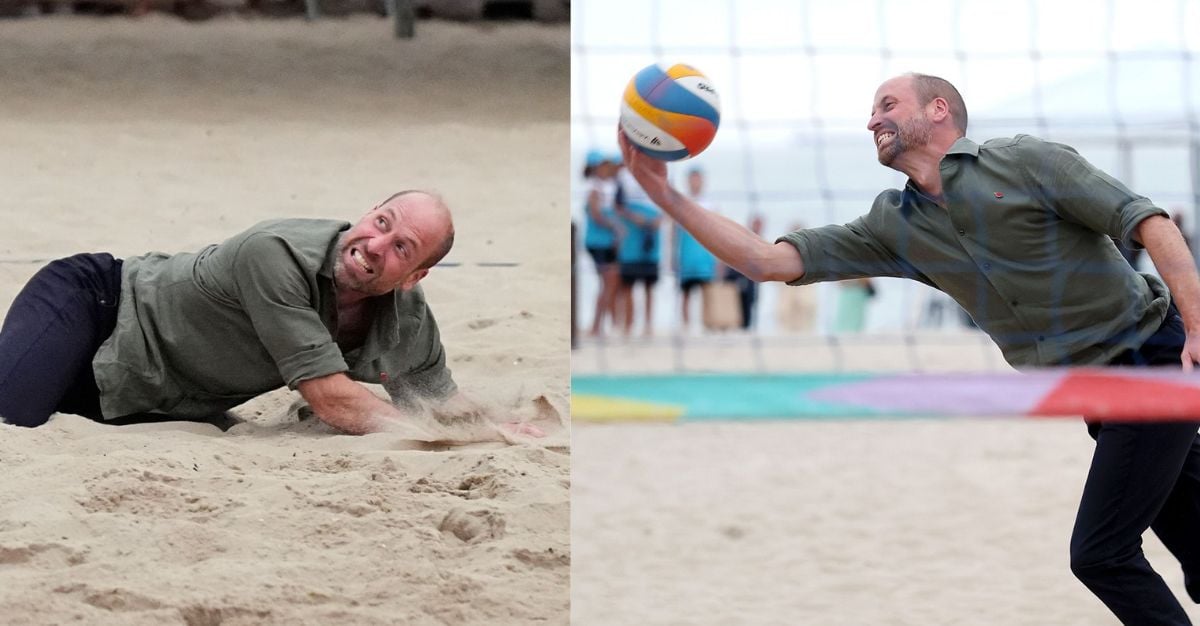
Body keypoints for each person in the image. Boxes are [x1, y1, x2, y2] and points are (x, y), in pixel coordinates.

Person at [619, 72, 1200, 624]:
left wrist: (1198, 327)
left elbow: (1149, 221)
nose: (872, 120)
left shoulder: (1026, 161)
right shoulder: (893, 225)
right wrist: (662, 195)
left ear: (938, 109)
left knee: (1100, 555)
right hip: (1096, 393)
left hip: (1155, 360)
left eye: (887, 105)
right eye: (873, 111)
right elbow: (764, 261)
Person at [0, 190, 541, 439]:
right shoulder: (277, 252)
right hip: (95, 307)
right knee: (12, 421)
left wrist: (501, 427)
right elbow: (332, 401)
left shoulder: (410, 321)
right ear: (365, 212)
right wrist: (432, 436)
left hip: (135, 392)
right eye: (381, 221)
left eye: (402, 247)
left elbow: (437, 397)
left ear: (414, 276)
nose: (376, 244)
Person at [614, 159, 663, 338]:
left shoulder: (659, 171)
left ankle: (648, 327)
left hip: (652, 241)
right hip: (631, 241)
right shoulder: (622, 176)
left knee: (649, 286)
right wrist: (634, 218)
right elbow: (617, 206)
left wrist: (659, 221)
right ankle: (629, 325)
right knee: (629, 286)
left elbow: (669, 202)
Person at [581, 149, 623, 337]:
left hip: (604, 242)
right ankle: (596, 326)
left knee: (608, 283)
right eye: (603, 165)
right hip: (598, 242)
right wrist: (616, 227)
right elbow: (597, 215)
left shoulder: (605, 186)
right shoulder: (593, 187)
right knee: (609, 282)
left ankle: (603, 325)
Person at [672, 166, 718, 334]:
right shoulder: (681, 203)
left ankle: (706, 325)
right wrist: (672, 256)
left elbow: (718, 233)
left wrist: (719, 258)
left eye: (698, 179)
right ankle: (686, 326)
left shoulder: (710, 204)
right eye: (693, 179)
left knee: (707, 291)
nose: (695, 182)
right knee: (685, 293)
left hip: (705, 256)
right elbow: (673, 232)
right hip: (686, 256)